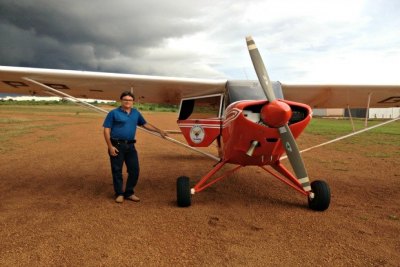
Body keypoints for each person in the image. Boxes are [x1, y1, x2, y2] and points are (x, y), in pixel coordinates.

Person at [103, 91, 167, 203]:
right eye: (125, 100)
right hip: (116, 145)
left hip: (131, 146)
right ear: (121, 101)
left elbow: (145, 124)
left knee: (134, 170)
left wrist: (159, 130)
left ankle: (129, 192)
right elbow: (106, 129)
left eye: (130, 100)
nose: (127, 102)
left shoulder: (136, 113)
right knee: (117, 170)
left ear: (133, 102)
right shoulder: (113, 113)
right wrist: (110, 146)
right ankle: (119, 194)